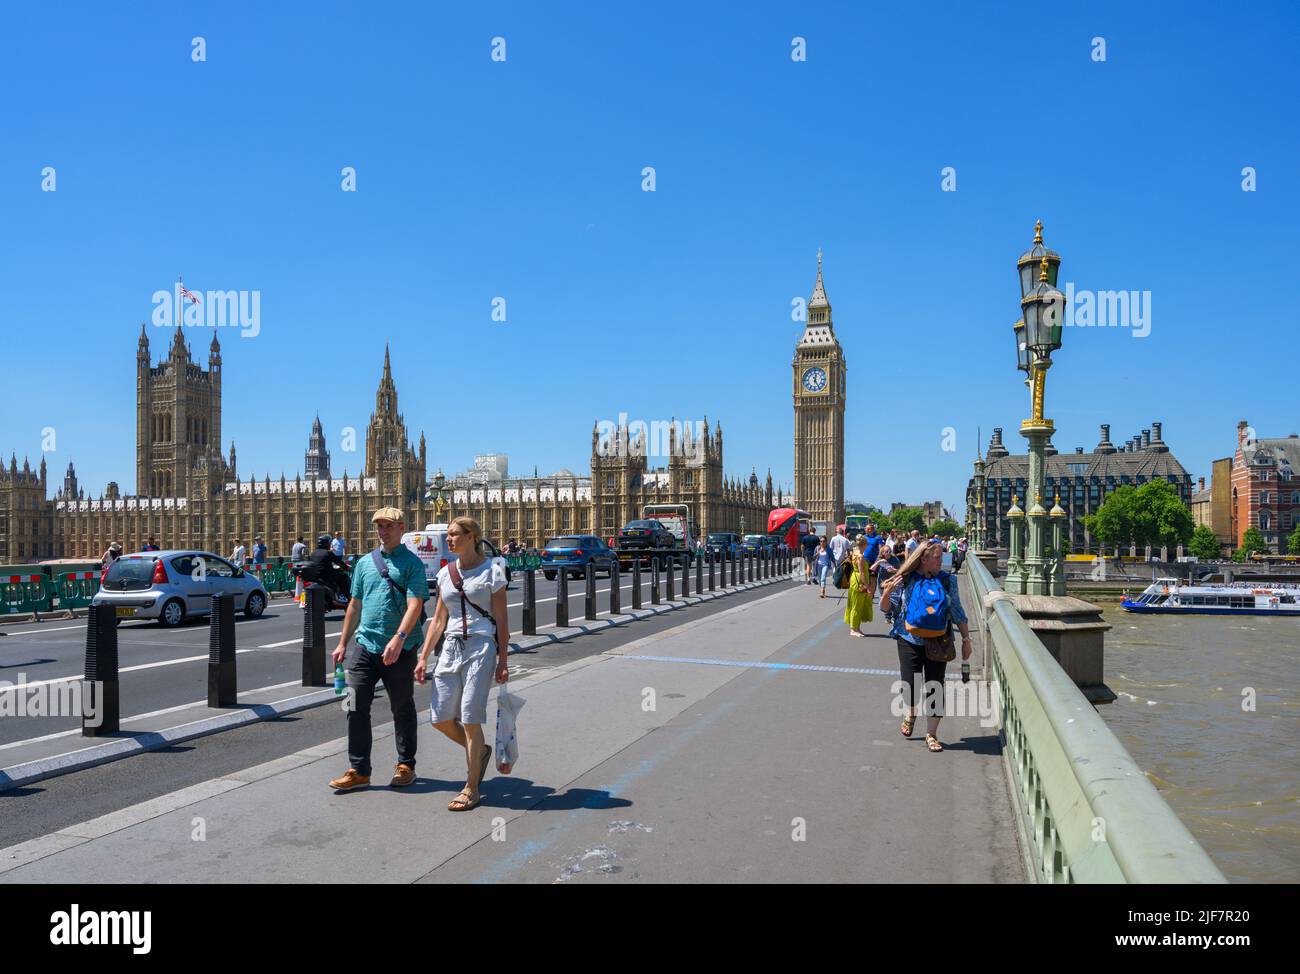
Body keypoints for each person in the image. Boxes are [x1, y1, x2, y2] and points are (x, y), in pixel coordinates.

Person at [329, 508, 429, 791]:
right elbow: (355, 605)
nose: (382, 531)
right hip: (365, 645)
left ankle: (405, 764)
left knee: (402, 706)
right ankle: (359, 769)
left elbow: (415, 605)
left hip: (400, 647)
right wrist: (342, 642)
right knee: (354, 704)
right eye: (379, 527)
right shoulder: (363, 563)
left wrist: (398, 638)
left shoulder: (412, 564)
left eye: (388, 526)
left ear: (401, 527)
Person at [416, 515, 510, 812]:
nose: (450, 539)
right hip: (451, 647)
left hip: (481, 646)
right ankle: (480, 751)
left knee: (470, 718)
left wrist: (503, 659)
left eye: (455, 534)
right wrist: (423, 656)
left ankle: (472, 787)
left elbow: (503, 621)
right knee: (440, 718)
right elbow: (438, 621)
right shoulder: (446, 574)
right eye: (449, 535)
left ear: (472, 536)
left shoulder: (492, 572)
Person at [880, 540, 972, 753]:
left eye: (942, 557)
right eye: (937, 557)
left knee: (935, 685)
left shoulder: (948, 580)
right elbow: (887, 608)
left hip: (938, 639)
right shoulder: (906, 578)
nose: (942, 561)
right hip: (908, 637)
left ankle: (931, 734)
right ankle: (910, 712)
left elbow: (957, 611)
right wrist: (886, 593)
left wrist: (967, 640)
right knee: (909, 684)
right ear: (924, 559)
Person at [299, 533, 350, 602]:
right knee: (343, 577)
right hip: (326, 576)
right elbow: (339, 562)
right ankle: (344, 596)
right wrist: (346, 567)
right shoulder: (328, 553)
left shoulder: (312, 553)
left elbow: (309, 563)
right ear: (327, 544)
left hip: (314, 577)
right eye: (329, 543)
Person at [843, 535, 873, 636]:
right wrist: (867, 586)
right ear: (864, 545)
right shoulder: (860, 556)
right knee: (856, 605)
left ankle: (856, 627)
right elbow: (862, 573)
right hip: (859, 581)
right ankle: (853, 629)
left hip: (854, 579)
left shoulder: (855, 552)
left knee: (857, 605)